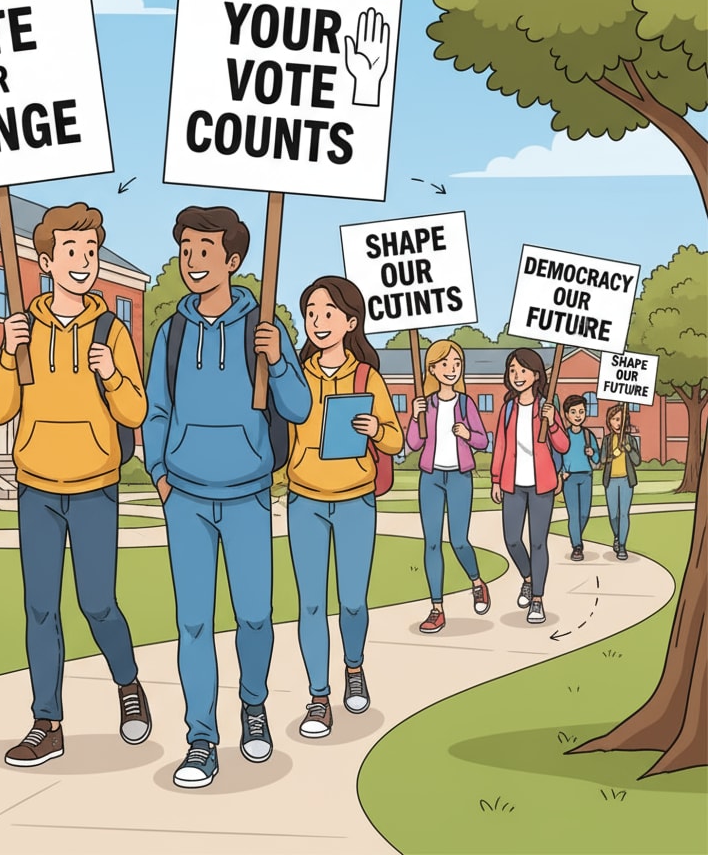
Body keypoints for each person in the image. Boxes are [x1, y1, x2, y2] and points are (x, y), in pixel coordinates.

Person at [143, 205, 311, 788]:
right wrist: (160, 472)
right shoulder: (173, 332)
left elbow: (298, 408)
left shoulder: (261, 328)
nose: (192, 262)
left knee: (255, 616)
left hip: (248, 496)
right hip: (185, 496)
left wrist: (280, 357)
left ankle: (254, 708)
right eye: (186, 250)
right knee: (193, 623)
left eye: (204, 251)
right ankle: (201, 738)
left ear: (233, 261)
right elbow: (156, 409)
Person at [0, 203, 150, 768]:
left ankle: (128, 686)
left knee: (98, 602)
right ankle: (46, 721)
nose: (83, 262)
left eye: (90, 251)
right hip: (36, 485)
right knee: (40, 609)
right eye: (72, 252)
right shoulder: (21, 330)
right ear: (46, 260)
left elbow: (135, 411)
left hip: (95, 483)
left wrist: (111, 373)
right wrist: (8, 354)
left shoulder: (111, 329)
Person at [286, 276, 403, 738]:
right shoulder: (293, 373)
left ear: (350, 321)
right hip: (305, 500)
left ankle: (354, 669)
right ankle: (318, 696)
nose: (317, 321)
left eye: (328, 312)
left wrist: (376, 426)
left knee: (352, 601)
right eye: (311, 313)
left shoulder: (366, 377)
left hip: (355, 500)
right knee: (311, 604)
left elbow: (394, 439)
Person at [407, 339, 490, 635]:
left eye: (456, 364)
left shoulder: (466, 403)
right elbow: (413, 444)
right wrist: (415, 417)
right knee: (431, 542)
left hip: (458, 477)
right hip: (430, 477)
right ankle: (437, 608)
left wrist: (467, 433)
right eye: (445, 364)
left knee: (458, 541)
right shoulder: (425, 404)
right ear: (432, 368)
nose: (452, 369)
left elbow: (483, 441)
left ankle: (477, 581)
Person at [490, 348, 569, 626]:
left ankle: (537, 599)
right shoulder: (508, 409)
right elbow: (500, 444)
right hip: (512, 484)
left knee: (538, 543)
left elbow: (562, 445)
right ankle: (528, 577)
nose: (517, 376)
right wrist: (496, 479)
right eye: (512, 370)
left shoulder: (546, 408)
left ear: (536, 375)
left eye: (523, 370)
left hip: (541, 485)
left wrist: (555, 422)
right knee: (512, 539)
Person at [559, 394, 600, 561]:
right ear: (567, 415)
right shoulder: (564, 436)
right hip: (569, 479)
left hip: (586, 476)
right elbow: (558, 455)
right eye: (574, 412)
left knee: (584, 514)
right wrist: (562, 471)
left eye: (581, 411)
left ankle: (577, 536)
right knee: (574, 514)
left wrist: (593, 453)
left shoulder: (588, 435)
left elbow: (598, 458)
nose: (578, 415)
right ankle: (577, 546)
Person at [600, 404, 642, 561]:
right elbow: (603, 460)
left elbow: (637, 461)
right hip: (611, 481)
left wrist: (629, 448)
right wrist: (613, 454)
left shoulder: (630, 439)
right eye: (615, 419)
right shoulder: (607, 440)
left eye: (621, 419)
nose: (618, 423)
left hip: (626, 480)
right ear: (609, 421)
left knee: (624, 514)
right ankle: (617, 536)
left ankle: (622, 545)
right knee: (613, 514)